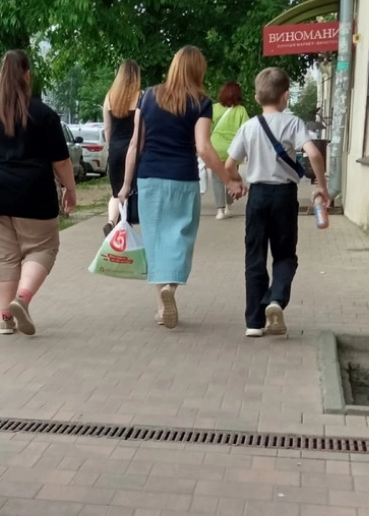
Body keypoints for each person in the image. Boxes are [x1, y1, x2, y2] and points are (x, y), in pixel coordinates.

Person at [0, 50, 78, 336]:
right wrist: (70, 189)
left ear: (0, 76)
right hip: (32, 191)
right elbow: (61, 161)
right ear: (27, 75)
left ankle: (5, 318)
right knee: (42, 248)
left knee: (4, 256)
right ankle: (22, 299)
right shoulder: (43, 114)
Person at [117, 46, 227, 329]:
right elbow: (203, 147)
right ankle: (170, 288)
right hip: (183, 178)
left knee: (155, 241)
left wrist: (126, 185)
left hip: (149, 177)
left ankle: (160, 304)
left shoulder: (147, 97)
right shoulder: (201, 102)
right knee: (181, 238)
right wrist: (228, 179)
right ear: (198, 70)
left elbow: (135, 144)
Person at [224, 67, 329, 337]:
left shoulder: (248, 127)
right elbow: (314, 154)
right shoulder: (293, 123)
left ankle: (254, 323)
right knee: (284, 254)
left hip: (257, 197)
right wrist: (321, 186)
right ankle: (275, 299)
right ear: (285, 97)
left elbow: (229, 165)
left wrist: (236, 182)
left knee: (254, 257)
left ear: (257, 98)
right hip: (284, 196)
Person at [102, 60, 142, 236]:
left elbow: (107, 128)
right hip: (133, 150)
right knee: (131, 192)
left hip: (115, 149)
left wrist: (112, 146)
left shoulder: (110, 97)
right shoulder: (140, 97)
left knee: (116, 193)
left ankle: (112, 222)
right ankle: (127, 228)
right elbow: (140, 129)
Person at [209, 81, 249, 219]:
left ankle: (219, 211)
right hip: (233, 149)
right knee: (231, 176)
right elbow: (245, 131)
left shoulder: (213, 108)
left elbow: (208, 129)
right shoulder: (241, 110)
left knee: (217, 178)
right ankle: (228, 207)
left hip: (215, 147)